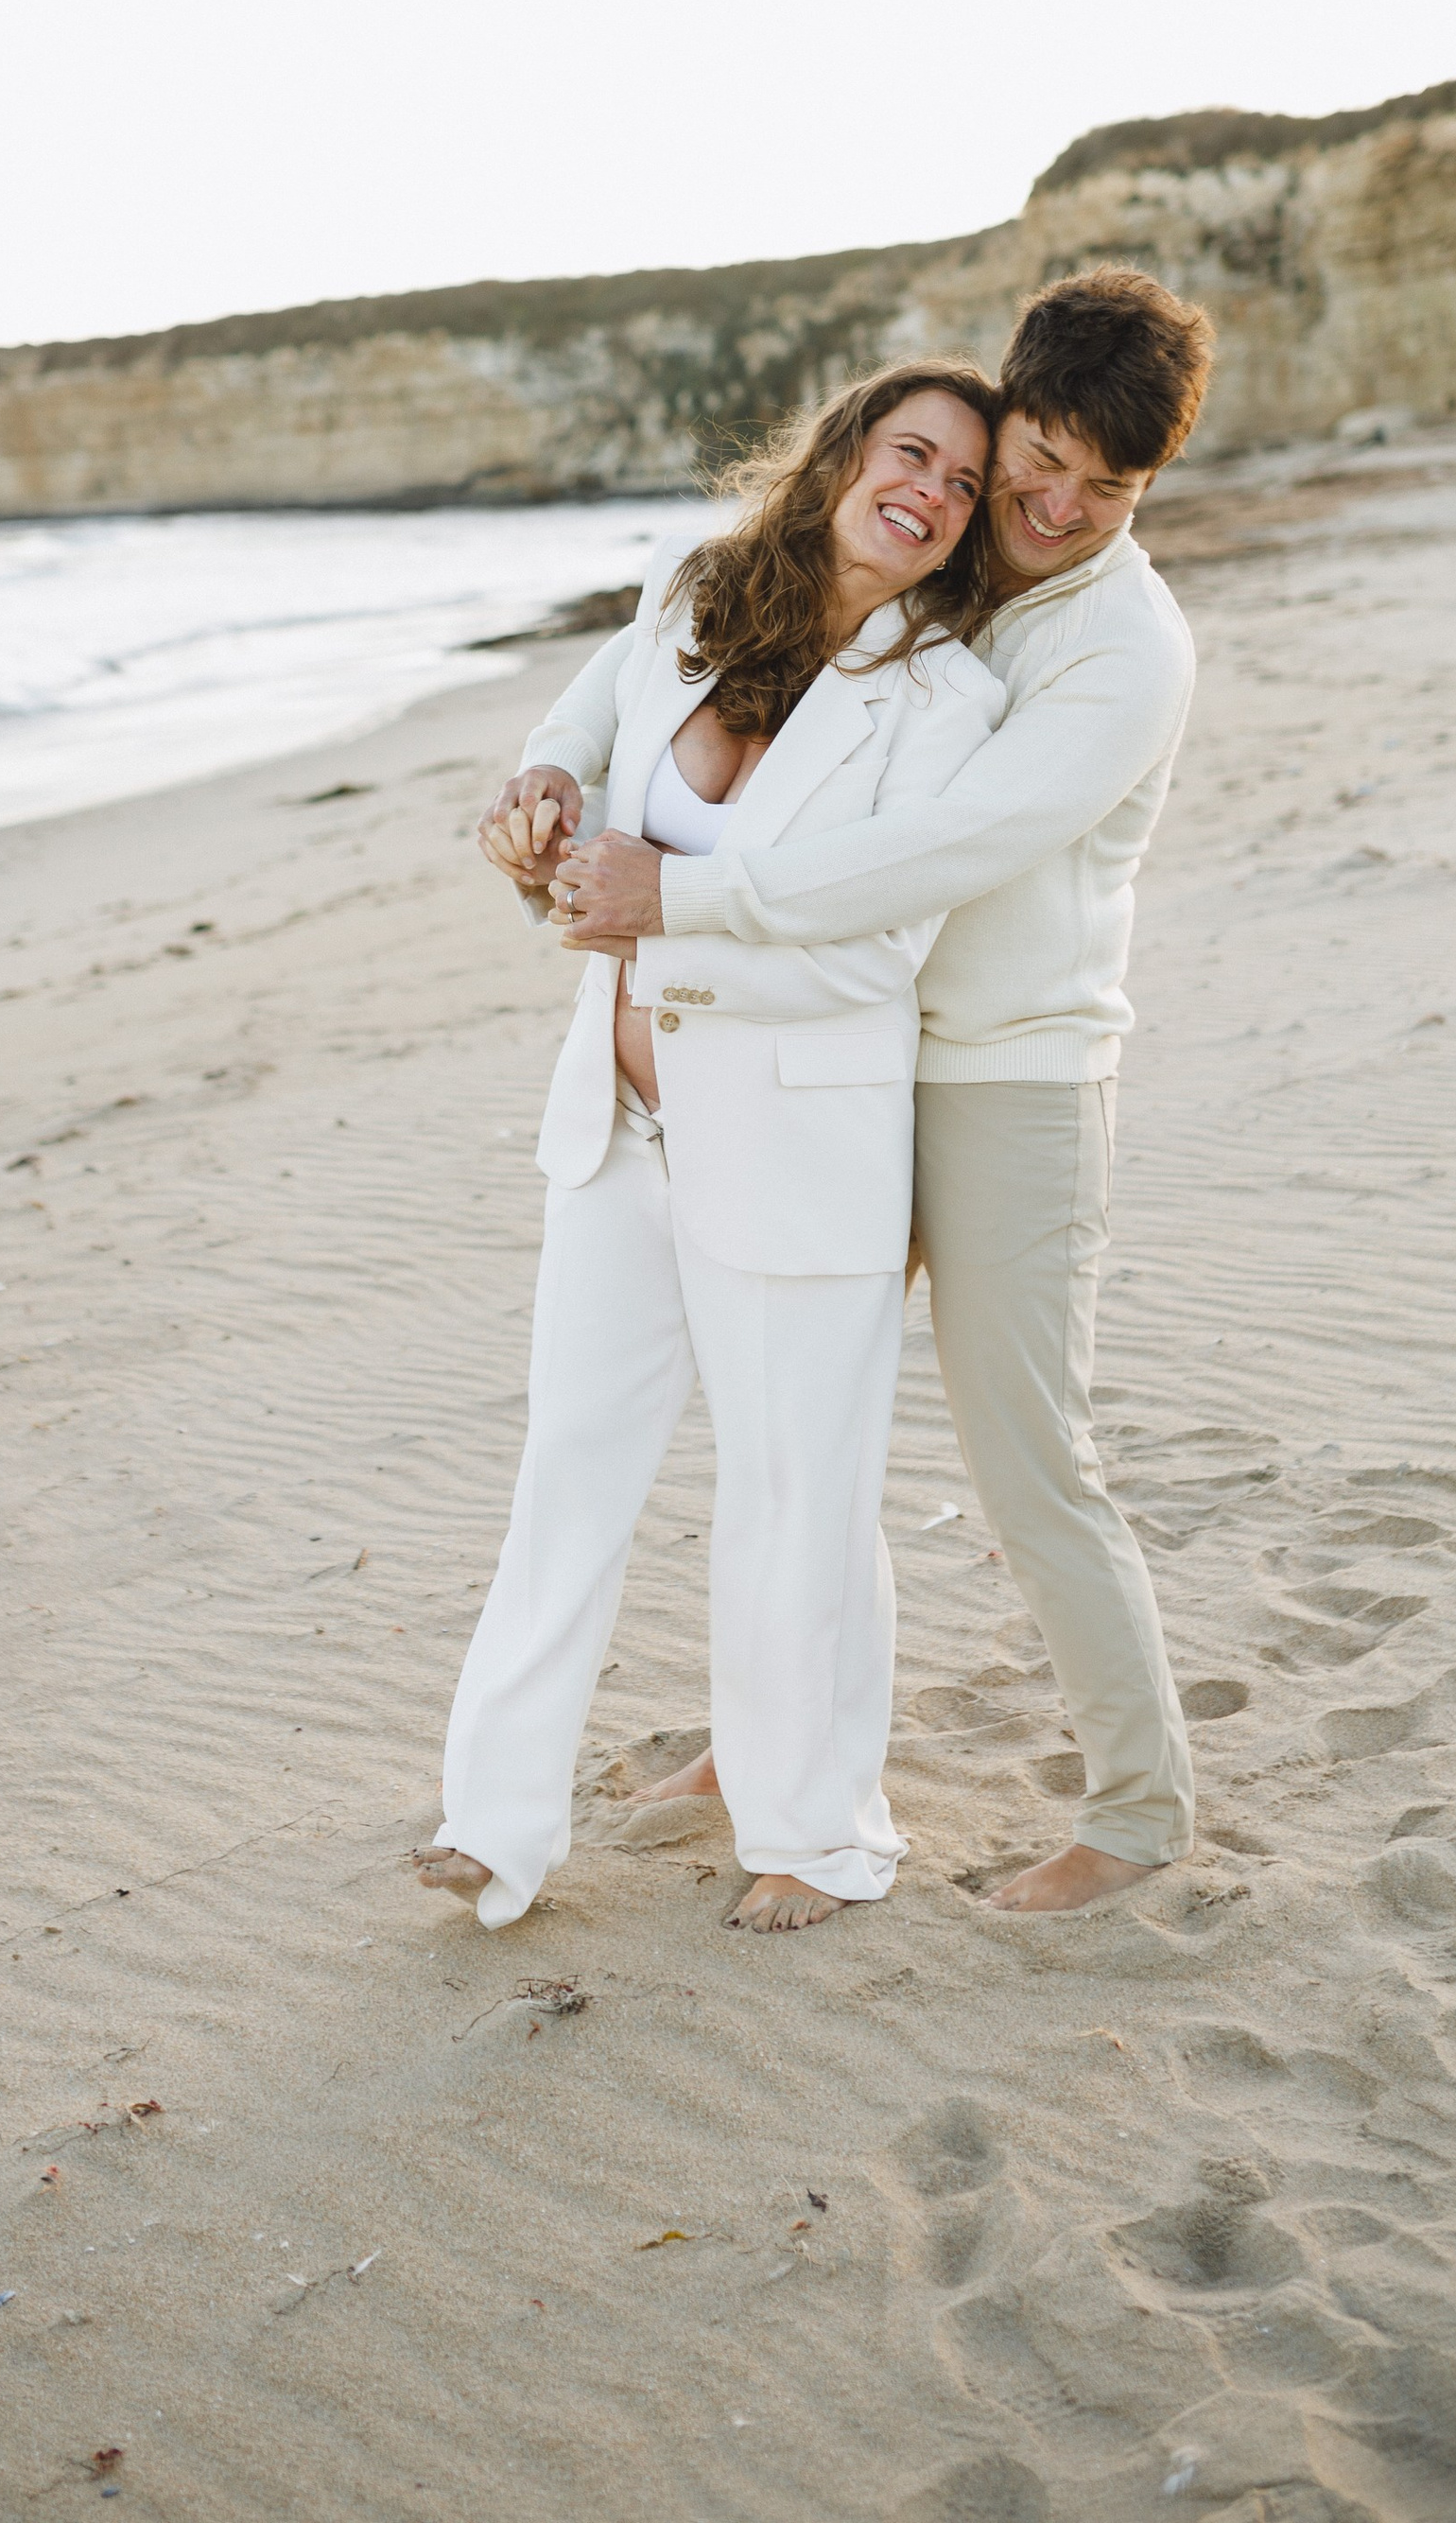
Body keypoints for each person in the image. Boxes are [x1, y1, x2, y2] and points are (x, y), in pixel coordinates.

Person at [548, 267, 1214, 1912]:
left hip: (1007, 1079)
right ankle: (763, 1743)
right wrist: (556, 773)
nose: (1053, 512)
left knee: (1023, 1453)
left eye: (1103, 494)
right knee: (803, 1420)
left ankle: (1140, 1811)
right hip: (840, 1051)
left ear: (1149, 492)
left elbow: (942, 846)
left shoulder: (1125, 648)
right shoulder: (951, 546)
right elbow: (679, 659)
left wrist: (683, 901)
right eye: (1038, 466)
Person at [420, 367, 1005, 1934]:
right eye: (911, 452)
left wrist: (655, 919)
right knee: (569, 1471)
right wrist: (542, 795)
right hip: (616, 1128)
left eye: (962, 482)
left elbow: (879, 953)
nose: (933, 491)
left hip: (802, 1149)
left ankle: (815, 1833)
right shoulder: (693, 588)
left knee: (797, 1491)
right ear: (843, 453)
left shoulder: (946, 704)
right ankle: (495, 1820)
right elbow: (597, 722)